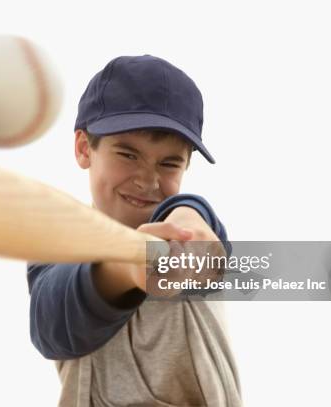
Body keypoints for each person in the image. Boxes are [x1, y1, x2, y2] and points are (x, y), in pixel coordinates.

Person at [27, 55, 242, 406]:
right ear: (84, 148)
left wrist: (190, 216)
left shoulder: (189, 229)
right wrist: (127, 267)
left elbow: (202, 227)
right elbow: (51, 328)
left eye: (169, 163)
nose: (148, 180)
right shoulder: (59, 243)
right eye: (128, 155)